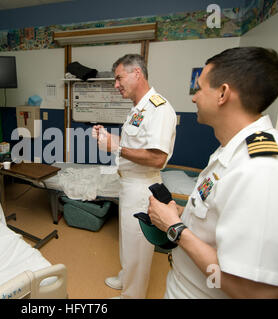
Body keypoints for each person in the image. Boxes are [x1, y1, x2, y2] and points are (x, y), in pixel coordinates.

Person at [147, 47, 278, 298]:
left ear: (223, 93)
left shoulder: (263, 169)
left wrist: (175, 228)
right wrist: (180, 214)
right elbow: (219, 219)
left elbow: (253, 292)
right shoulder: (231, 151)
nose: (194, 98)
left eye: (199, 88)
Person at [92, 54, 177, 298]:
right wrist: (108, 139)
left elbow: (157, 158)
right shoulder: (139, 109)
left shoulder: (159, 109)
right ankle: (125, 277)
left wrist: (116, 147)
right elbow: (134, 145)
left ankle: (133, 294)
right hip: (128, 184)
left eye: (119, 78)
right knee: (128, 241)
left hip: (142, 187)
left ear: (137, 73)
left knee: (138, 245)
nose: (116, 85)